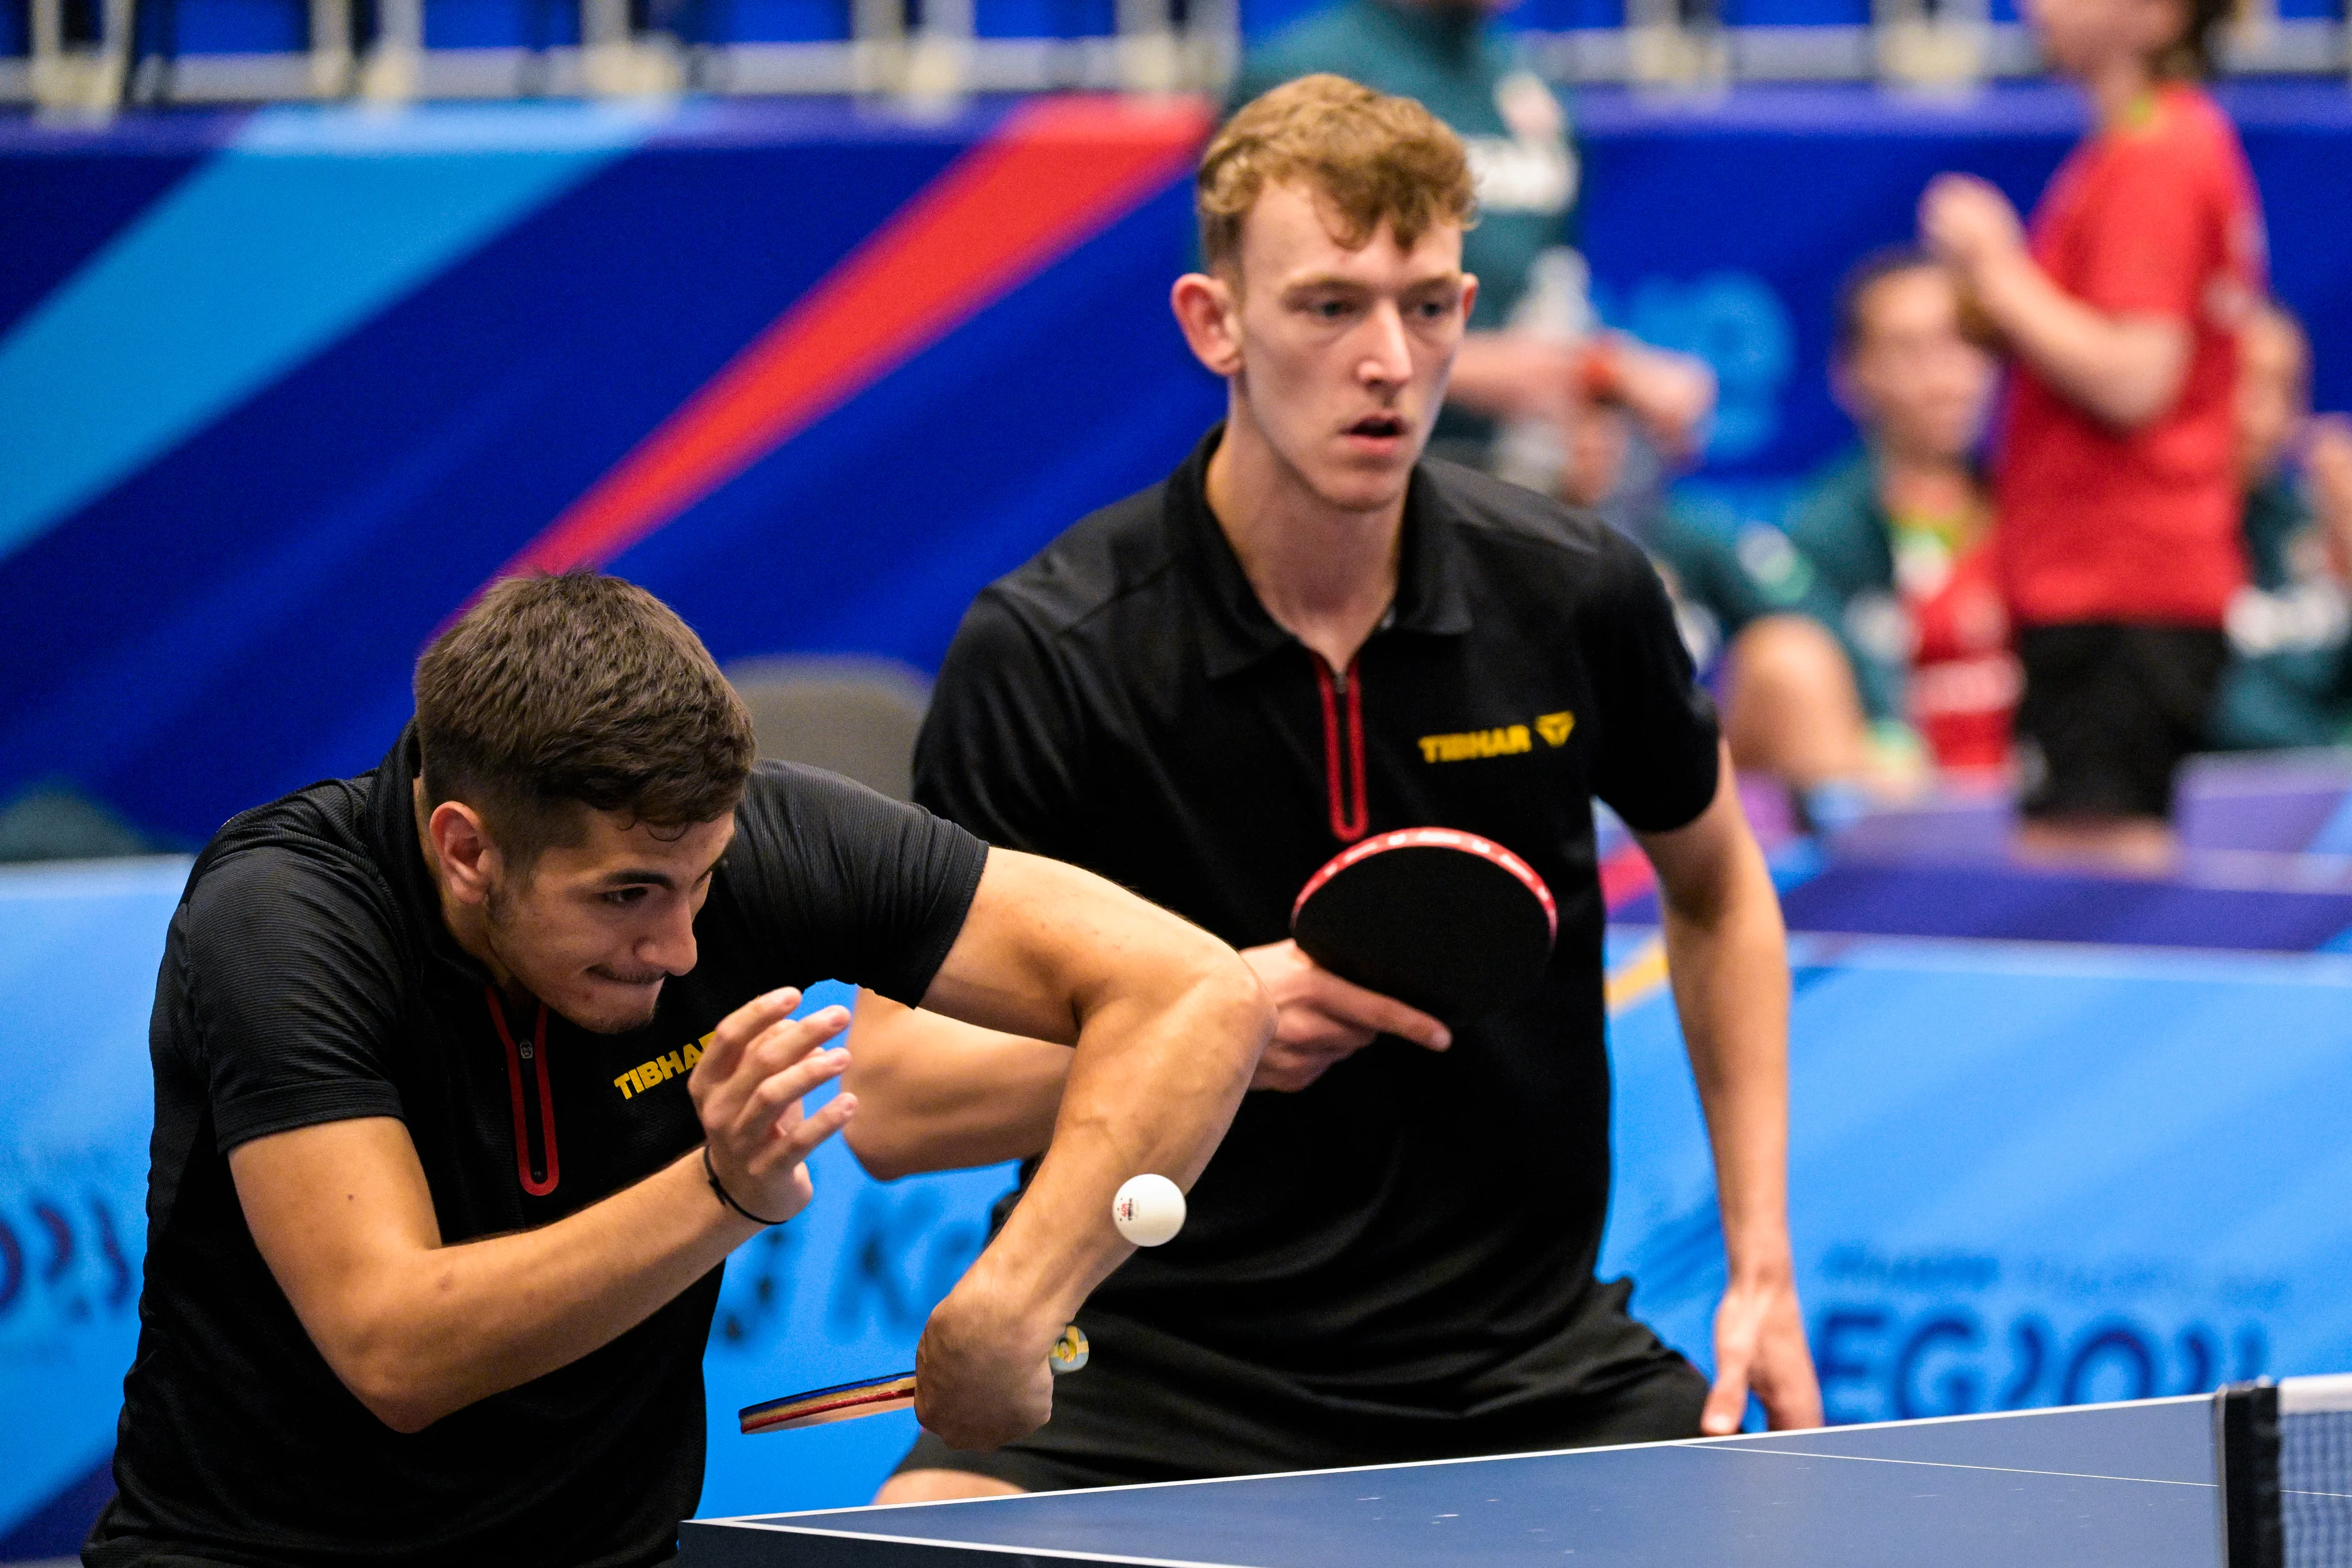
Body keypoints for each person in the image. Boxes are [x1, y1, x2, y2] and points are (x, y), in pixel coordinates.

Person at [844, 74, 1821, 1505]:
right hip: (1144, 1365)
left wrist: (1760, 1261)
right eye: (1328, 307)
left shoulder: (1571, 592)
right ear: (1215, 322)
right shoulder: (1055, 647)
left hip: (1527, 1369)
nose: (1387, 361)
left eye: (1425, 308)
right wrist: (1213, 1025)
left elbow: (1720, 888)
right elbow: (891, 1102)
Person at [85, 573, 1273, 1567]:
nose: (680, 946)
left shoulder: (757, 844)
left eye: (703, 882)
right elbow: (395, 1348)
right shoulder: (283, 918)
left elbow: (1195, 992)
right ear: (466, 850)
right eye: (626, 897)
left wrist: (1011, 1305)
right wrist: (723, 1193)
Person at [1919, 0, 2264, 870]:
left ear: (2158, 17)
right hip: (2097, 578)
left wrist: (1998, 266)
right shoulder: (2136, 145)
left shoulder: (2157, 152)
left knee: (2092, 876)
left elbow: (2134, 378)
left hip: (2121, 582)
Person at [1229, 0, 1714, 484]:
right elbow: (1250, 316)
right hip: (1365, 472)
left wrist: (1601, 389)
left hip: (1518, 475)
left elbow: (1553, 285)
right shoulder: (1303, 76)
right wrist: (1475, 369)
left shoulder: (1530, 81)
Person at [1739, 248, 2013, 794]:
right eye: (1910, 351)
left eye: (1965, 342)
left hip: (2036, 798)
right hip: (1893, 806)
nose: (1946, 378)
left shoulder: (2036, 509)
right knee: (1781, 659)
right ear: (1852, 374)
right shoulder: (1819, 535)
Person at [2211, 303, 2352, 750]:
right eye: (2247, 383)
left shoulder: (2313, 528)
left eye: (2285, 391)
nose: (2266, 417)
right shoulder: (2161, 543)